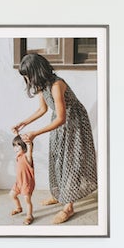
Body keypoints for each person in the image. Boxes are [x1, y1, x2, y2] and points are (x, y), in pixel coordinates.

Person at [12, 53, 98, 224]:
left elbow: (62, 118)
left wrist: (36, 133)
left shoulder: (57, 84)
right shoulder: (42, 86)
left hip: (75, 123)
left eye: (28, 74)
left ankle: (68, 207)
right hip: (59, 123)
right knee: (57, 158)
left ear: (36, 71)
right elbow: (43, 109)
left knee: (70, 162)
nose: (27, 79)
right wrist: (24, 122)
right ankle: (59, 195)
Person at [8, 134, 35, 225]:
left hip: (26, 183)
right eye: (14, 146)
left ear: (24, 147)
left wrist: (29, 144)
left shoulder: (27, 157)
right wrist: (17, 133)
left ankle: (29, 216)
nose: (15, 148)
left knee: (27, 200)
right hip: (19, 182)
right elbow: (19, 140)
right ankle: (18, 208)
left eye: (17, 146)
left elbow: (29, 150)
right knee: (12, 195)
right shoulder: (19, 156)